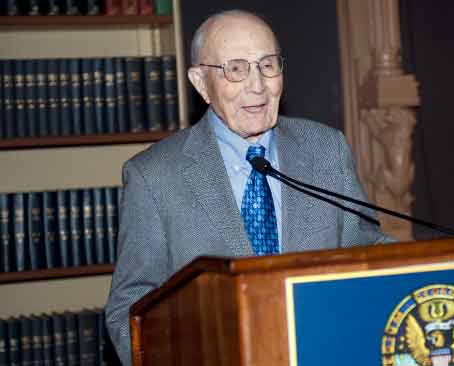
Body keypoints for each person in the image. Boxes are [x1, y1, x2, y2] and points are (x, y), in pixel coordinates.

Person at [105, 10, 392, 365]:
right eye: (236, 69)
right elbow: (129, 309)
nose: (257, 85)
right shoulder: (153, 176)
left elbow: (370, 254)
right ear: (200, 82)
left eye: (268, 65)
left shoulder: (325, 149)